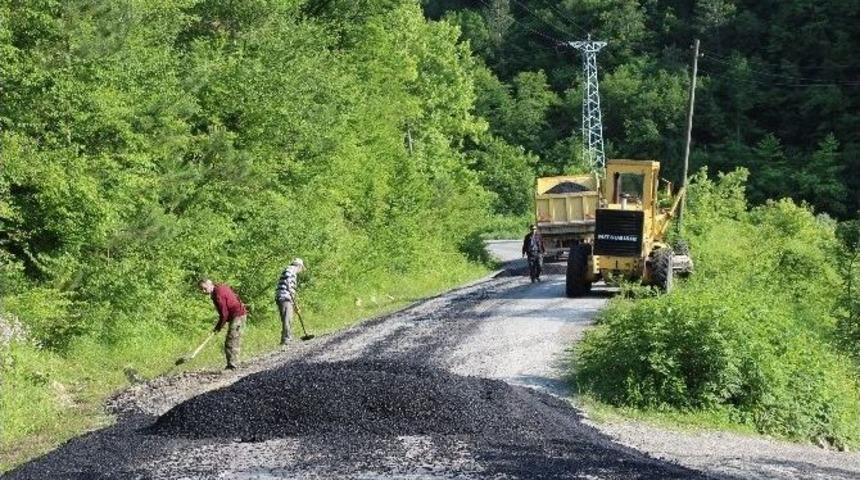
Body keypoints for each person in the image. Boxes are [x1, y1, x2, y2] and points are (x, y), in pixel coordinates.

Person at [198, 279, 247, 370]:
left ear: (210, 284)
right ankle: (234, 363)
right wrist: (219, 327)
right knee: (234, 339)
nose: (203, 291)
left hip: (238, 315)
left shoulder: (218, 294)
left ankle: (232, 365)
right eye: (201, 290)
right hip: (237, 314)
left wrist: (217, 328)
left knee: (231, 340)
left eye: (204, 288)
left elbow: (224, 314)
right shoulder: (219, 287)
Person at [275, 258, 305, 345]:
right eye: (301, 268)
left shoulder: (290, 270)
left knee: (287, 319)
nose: (301, 270)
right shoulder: (291, 270)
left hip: (283, 296)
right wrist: (293, 301)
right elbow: (288, 284)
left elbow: (291, 288)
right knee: (287, 319)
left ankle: (285, 338)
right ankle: (286, 339)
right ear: (299, 266)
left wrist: (294, 304)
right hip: (284, 297)